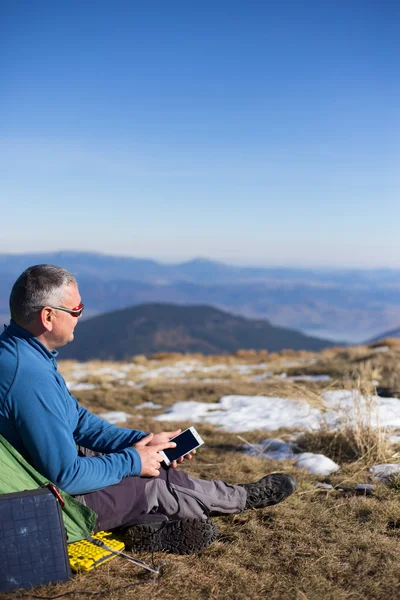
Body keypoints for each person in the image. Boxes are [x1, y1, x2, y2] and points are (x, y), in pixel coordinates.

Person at [0, 265, 296, 554]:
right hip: (47, 509)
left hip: (38, 479)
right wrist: (133, 461)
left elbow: (78, 421)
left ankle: (147, 528)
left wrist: (138, 442)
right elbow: (66, 475)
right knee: (153, 482)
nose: (80, 317)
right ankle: (242, 498)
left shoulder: (22, 353)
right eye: (76, 310)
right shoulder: (29, 376)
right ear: (48, 316)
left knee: (136, 461)